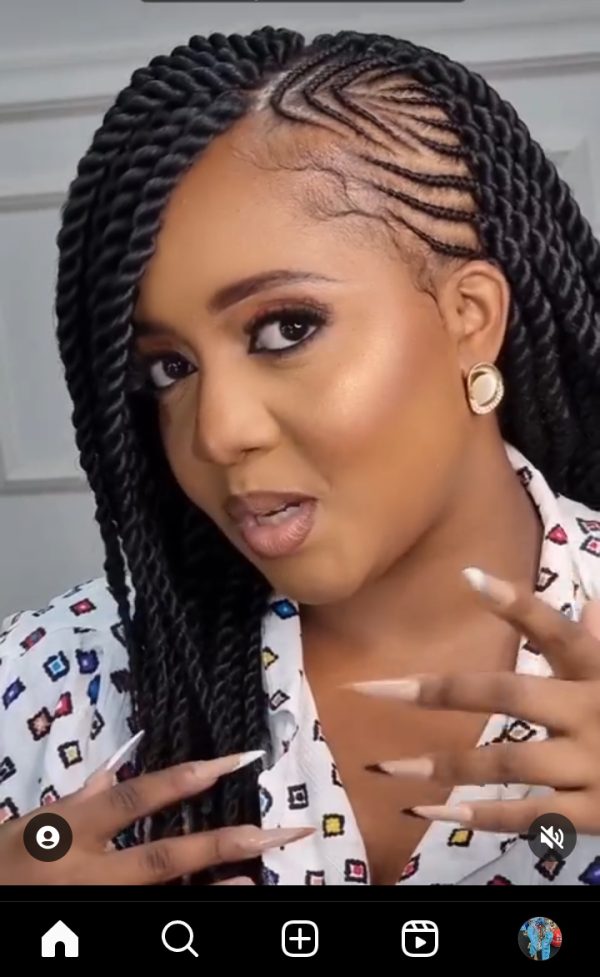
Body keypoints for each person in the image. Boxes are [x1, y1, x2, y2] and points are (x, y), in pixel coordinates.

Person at [1, 25, 600, 887]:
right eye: (168, 368)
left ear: (470, 317)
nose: (216, 434)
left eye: (286, 328)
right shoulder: (45, 678)